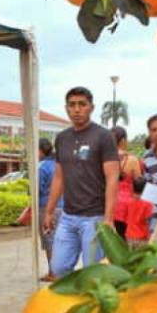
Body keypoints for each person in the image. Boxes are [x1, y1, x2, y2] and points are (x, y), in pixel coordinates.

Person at [43, 86, 119, 277]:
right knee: (58, 268)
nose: (77, 109)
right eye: (72, 105)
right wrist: (49, 211)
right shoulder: (62, 138)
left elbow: (112, 178)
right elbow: (59, 177)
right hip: (68, 216)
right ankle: (72, 300)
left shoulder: (103, 136)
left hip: (95, 218)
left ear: (91, 107)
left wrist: (108, 219)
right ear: (66, 108)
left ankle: (92, 305)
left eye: (82, 104)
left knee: (94, 273)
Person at [38, 138, 62, 281]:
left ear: (40, 151)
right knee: (59, 240)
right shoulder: (58, 165)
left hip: (46, 208)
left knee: (49, 240)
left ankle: (53, 272)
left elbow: (36, 189)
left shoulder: (42, 167)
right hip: (62, 207)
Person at [112, 126, 143, 239]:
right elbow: (139, 183)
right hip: (126, 206)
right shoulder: (132, 160)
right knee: (124, 241)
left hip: (109, 204)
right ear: (124, 140)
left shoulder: (105, 159)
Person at [125, 176, 153, 248]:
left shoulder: (128, 201)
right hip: (142, 236)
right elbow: (148, 219)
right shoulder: (148, 203)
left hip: (129, 235)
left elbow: (126, 217)